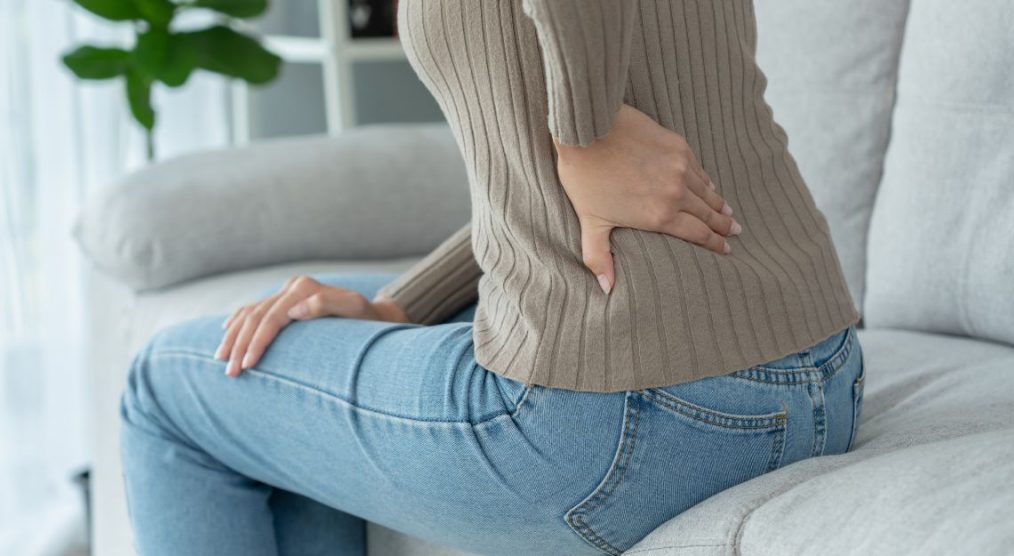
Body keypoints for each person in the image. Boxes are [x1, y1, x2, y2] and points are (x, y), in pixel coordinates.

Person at [119, 1, 865, 554]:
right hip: (819, 372)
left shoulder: (589, 105)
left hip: (627, 416)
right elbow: (551, 196)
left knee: (168, 386)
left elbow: (587, 152)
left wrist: (585, 134)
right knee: (310, 317)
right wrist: (401, 305)